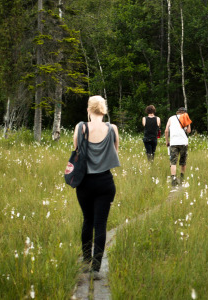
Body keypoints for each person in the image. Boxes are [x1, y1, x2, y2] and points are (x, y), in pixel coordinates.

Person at [73, 95, 120, 280]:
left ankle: (85, 261)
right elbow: (115, 152)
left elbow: (77, 151)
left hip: (84, 182)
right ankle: (96, 267)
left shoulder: (80, 127)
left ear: (89, 109)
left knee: (87, 220)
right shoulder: (112, 128)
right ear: (104, 109)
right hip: (105, 182)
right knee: (101, 224)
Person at [164, 107, 191, 187]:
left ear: (178, 112)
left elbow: (166, 130)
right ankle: (182, 179)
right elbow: (188, 131)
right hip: (183, 143)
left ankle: (173, 180)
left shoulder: (171, 118)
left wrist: (167, 141)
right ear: (185, 113)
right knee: (183, 162)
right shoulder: (185, 118)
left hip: (173, 143)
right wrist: (188, 123)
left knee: (173, 162)